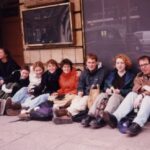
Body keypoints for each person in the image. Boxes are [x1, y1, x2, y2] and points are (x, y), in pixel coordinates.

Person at [81, 54, 135, 128]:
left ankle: (103, 118)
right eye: (117, 63)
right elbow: (106, 86)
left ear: (126, 64)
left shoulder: (131, 76)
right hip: (110, 95)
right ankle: (90, 116)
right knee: (102, 94)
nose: (119, 65)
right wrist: (107, 89)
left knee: (115, 96)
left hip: (122, 98)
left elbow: (132, 90)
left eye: (122, 63)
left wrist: (120, 91)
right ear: (115, 64)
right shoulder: (112, 74)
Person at [103, 55, 150, 136]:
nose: (143, 67)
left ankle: (137, 124)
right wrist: (145, 88)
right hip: (140, 103)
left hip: (147, 101)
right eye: (141, 65)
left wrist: (142, 94)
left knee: (147, 98)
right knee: (132, 94)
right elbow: (135, 88)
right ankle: (115, 118)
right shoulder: (139, 76)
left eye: (145, 64)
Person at [53, 53, 105, 124]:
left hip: (92, 95)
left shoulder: (101, 72)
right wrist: (80, 90)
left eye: (93, 63)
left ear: (96, 63)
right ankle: (67, 115)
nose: (91, 65)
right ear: (86, 63)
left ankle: (66, 112)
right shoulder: (84, 72)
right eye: (89, 62)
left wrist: (85, 92)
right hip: (84, 93)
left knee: (83, 101)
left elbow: (96, 86)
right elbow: (80, 83)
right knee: (76, 99)